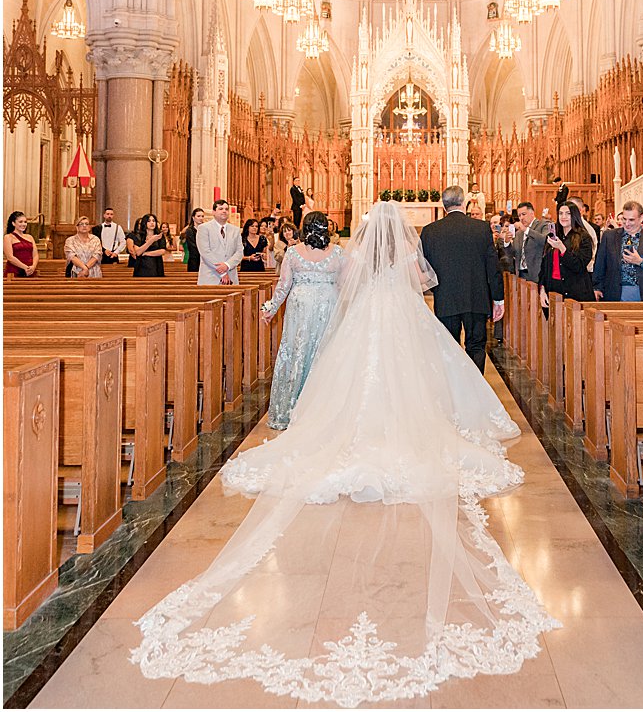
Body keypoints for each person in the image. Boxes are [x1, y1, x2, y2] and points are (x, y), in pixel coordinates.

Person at [131, 201, 557, 701]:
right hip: (399, 317)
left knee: (355, 380)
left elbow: (347, 287)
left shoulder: (352, 257)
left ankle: (351, 432)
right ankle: (407, 430)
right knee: (409, 377)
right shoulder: (403, 254)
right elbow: (423, 279)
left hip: (368, 321)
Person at [259, 212, 344, 431]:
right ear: (326, 228)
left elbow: (284, 285)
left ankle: (291, 408)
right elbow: (346, 286)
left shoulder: (293, 252)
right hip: (328, 304)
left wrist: (271, 308)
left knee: (298, 351)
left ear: (304, 229)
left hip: (301, 306)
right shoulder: (338, 252)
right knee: (324, 352)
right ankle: (323, 409)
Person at [419, 185, 505, 372]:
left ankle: (455, 390)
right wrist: (498, 299)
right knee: (476, 346)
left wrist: (438, 289)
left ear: (443, 206)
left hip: (446, 298)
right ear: (463, 203)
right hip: (476, 297)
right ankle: (476, 391)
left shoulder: (429, 231)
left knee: (449, 347)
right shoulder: (481, 228)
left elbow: (424, 268)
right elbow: (493, 267)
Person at [592, 200, 643, 302]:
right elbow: (600, 264)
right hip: (613, 292)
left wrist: (642, 262)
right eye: (625, 219)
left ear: (641, 218)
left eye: (631, 220)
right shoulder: (609, 236)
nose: (627, 223)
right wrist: (597, 287)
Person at [538, 201, 596, 308]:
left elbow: (579, 266)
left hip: (576, 293)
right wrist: (542, 290)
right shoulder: (552, 236)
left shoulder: (584, 237)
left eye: (568, 213)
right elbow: (544, 267)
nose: (563, 217)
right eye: (560, 213)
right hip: (554, 291)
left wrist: (562, 248)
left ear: (574, 215)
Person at [196, 199, 242, 285]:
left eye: (226, 209)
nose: (224, 211)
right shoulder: (204, 228)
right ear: (213, 212)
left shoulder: (235, 230)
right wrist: (223, 272)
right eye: (221, 209)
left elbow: (239, 252)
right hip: (210, 277)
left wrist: (227, 265)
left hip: (231, 276)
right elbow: (205, 252)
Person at [508, 200, 551, 282]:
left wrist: (526, 230)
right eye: (519, 215)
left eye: (523, 214)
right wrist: (506, 243)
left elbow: (546, 241)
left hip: (538, 274)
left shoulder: (544, 224)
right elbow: (513, 254)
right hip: (521, 275)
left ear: (532, 213)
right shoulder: (519, 233)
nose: (521, 218)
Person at [127, 212, 168, 278]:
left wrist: (146, 253)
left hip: (156, 265)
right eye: (149, 221)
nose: (152, 223)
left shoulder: (159, 235)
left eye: (154, 221)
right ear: (144, 223)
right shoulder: (138, 236)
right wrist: (151, 240)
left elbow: (162, 251)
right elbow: (138, 252)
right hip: (142, 266)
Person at [5, 211, 37, 277]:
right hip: (14, 272)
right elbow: (10, 257)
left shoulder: (30, 237)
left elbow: (35, 255)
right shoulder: (8, 237)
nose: (24, 224)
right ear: (13, 223)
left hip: (30, 271)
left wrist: (33, 267)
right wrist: (25, 267)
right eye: (20, 222)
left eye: (25, 222)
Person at [182, 207, 205, 274]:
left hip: (205, 260)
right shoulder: (190, 230)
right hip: (194, 259)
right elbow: (192, 245)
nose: (201, 218)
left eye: (202, 216)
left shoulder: (206, 229)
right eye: (198, 216)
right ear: (193, 217)